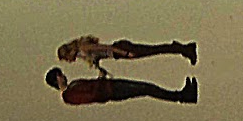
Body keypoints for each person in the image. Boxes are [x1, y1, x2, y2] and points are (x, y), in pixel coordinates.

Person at [45, 67, 197, 105]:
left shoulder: (72, 86)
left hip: (111, 87)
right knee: (146, 89)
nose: (63, 76)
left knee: (146, 88)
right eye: (60, 75)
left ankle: (181, 95)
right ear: (56, 80)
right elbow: (92, 96)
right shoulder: (69, 95)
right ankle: (182, 96)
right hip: (112, 91)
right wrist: (100, 80)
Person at [56, 35, 197, 73]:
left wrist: (126, 53)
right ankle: (181, 48)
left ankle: (182, 48)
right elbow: (97, 57)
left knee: (153, 50)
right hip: (119, 53)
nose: (69, 61)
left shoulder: (84, 48)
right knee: (153, 51)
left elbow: (106, 47)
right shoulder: (81, 54)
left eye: (66, 58)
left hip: (120, 49)